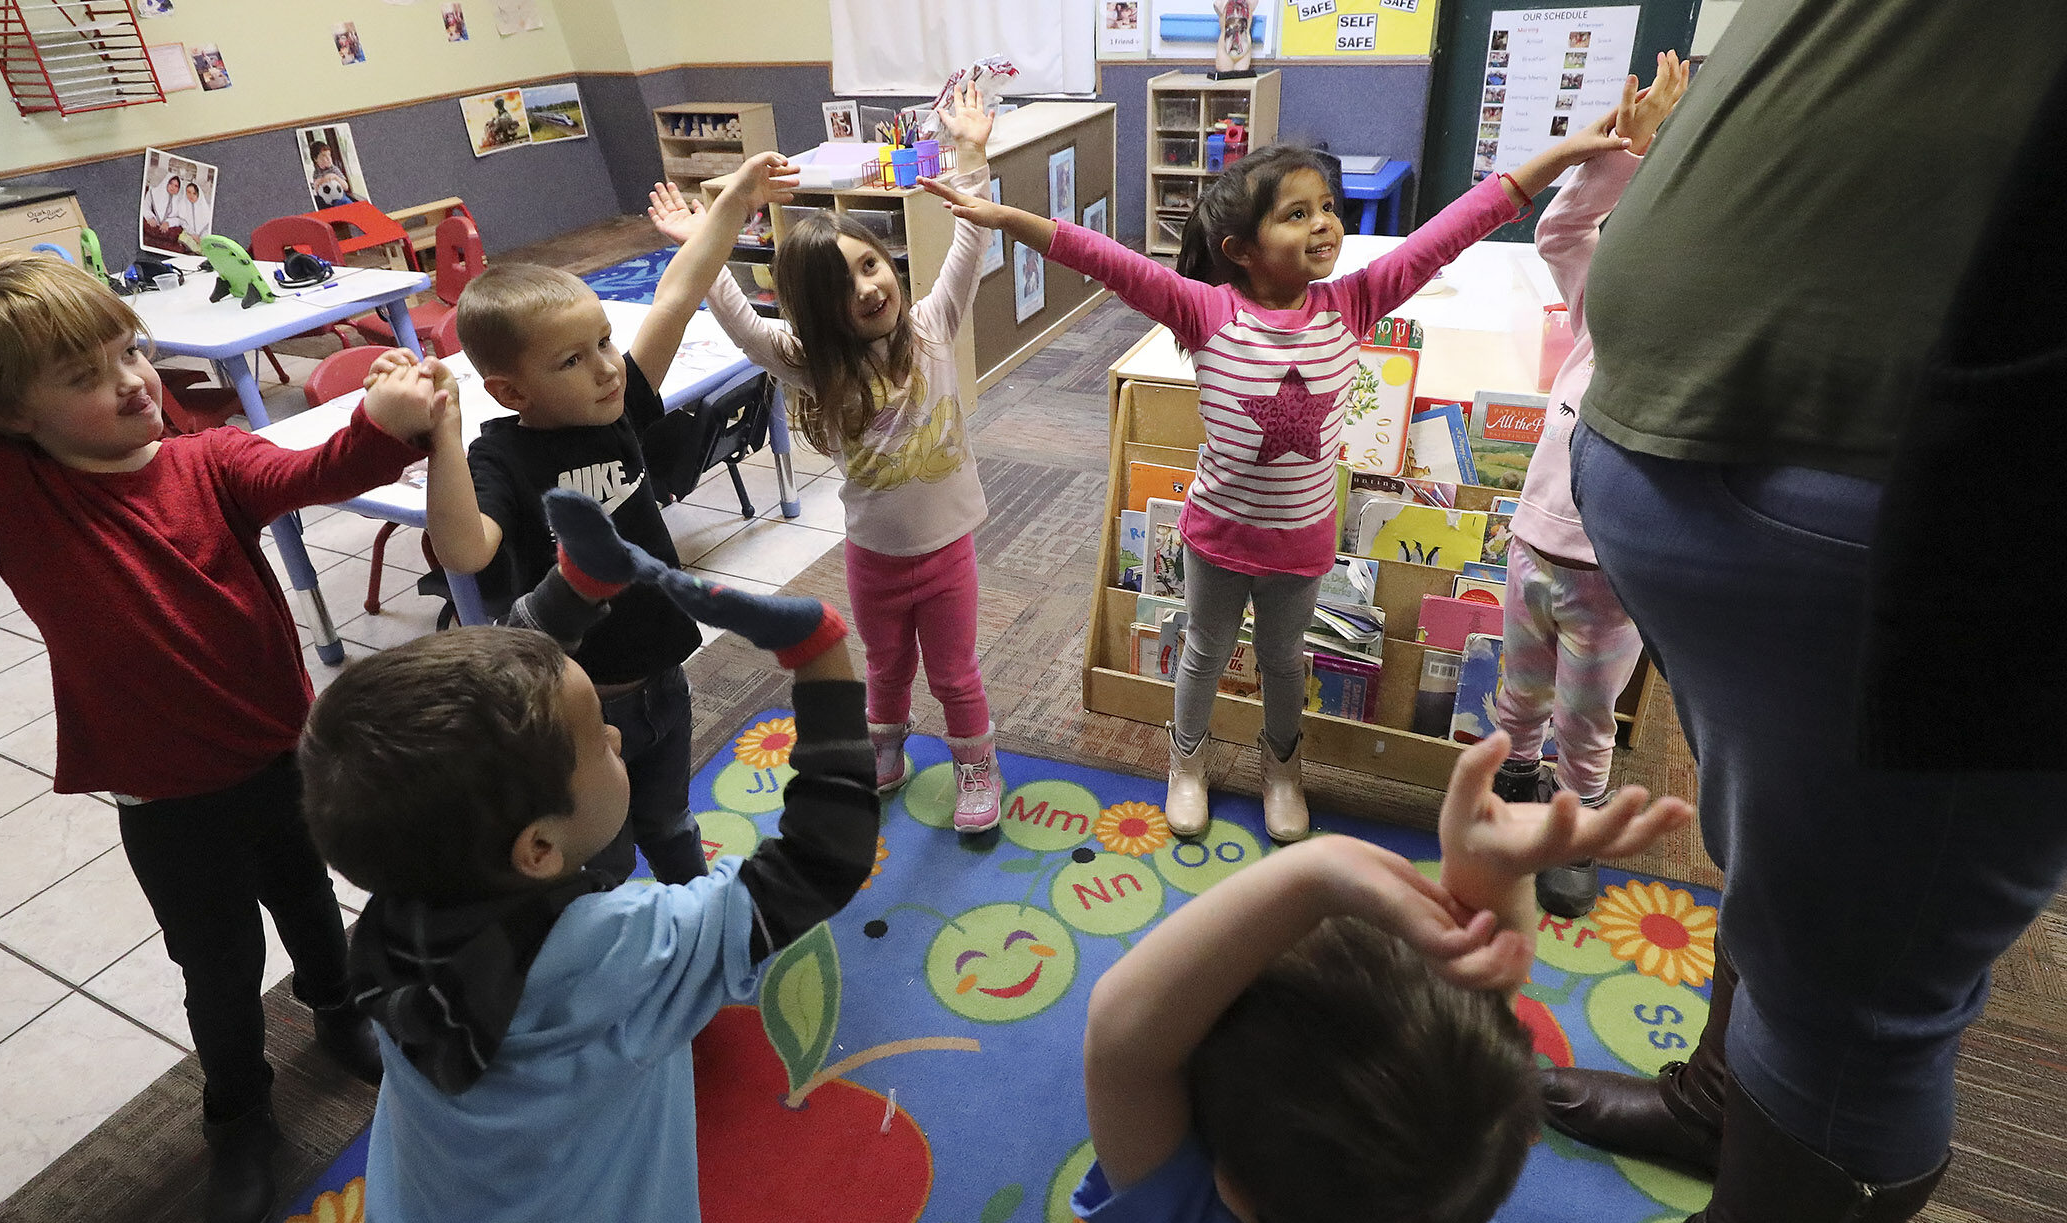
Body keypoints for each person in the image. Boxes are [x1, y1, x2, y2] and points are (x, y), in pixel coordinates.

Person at [0, 76, 451, 1223]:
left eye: (128, 352)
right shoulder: (12, 492)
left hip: (286, 755)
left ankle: (338, 1013)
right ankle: (238, 1115)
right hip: (168, 800)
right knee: (217, 970)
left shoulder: (210, 460)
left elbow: (312, 472)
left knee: (313, 908)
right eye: (83, 377)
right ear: (3, 413)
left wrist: (386, 425)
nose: (129, 382)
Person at [1509, 7, 2067, 1223]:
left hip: (1960, 522)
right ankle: (1723, 1104)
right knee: (1784, 886)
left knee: (1860, 992)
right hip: (1764, 498)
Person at [924, 116, 1631, 845]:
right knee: (1203, 651)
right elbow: (1106, 259)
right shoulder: (1205, 312)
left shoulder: (1353, 303)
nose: (1324, 223)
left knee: (1285, 660)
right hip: (1217, 539)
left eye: (1327, 207)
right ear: (1241, 249)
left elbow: (1457, 225)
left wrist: (1565, 153)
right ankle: (1187, 761)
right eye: (1297, 214)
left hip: (1300, 543)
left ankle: (1283, 767)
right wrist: (1008, 218)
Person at [297, 491, 872, 1223]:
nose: (616, 735)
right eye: (597, 736)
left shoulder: (404, 898)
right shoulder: (620, 954)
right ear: (538, 847)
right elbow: (822, 860)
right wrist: (823, 659)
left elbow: (487, 727)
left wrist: (577, 585)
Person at [1077, 731, 1691, 1223]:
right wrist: (1493, 881)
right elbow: (1468, 1059)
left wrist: (1312, 873)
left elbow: (1123, 1041)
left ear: (1230, 1189)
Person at [424, 152, 796, 887]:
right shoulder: (500, 457)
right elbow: (464, 550)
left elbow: (677, 293)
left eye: (603, 342)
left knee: (672, 823)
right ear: (510, 392)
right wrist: (441, 434)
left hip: (663, 679)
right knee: (607, 860)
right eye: (572, 360)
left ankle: (695, 914)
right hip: (583, 716)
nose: (606, 367)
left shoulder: (615, 408)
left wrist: (737, 200)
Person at [659, 83, 1009, 834]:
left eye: (871, 264)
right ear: (820, 310)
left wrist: (972, 154)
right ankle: (885, 747)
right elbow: (744, 326)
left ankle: (976, 764)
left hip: (947, 551)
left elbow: (970, 242)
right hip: (874, 556)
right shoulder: (814, 364)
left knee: (955, 672)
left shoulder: (933, 324)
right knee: (884, 666)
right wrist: (703, 242)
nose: (867, 287)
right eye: (843, 285)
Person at [1489, 54, 1687, 920]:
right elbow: (1561, 233)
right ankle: (1514, 782)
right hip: (1533, 547)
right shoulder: (1598, 315)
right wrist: (1623, 151)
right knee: (1519, 691)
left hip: (1612, 578)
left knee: (1587, 715)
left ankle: (1576, 824)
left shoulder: (1690, 357)